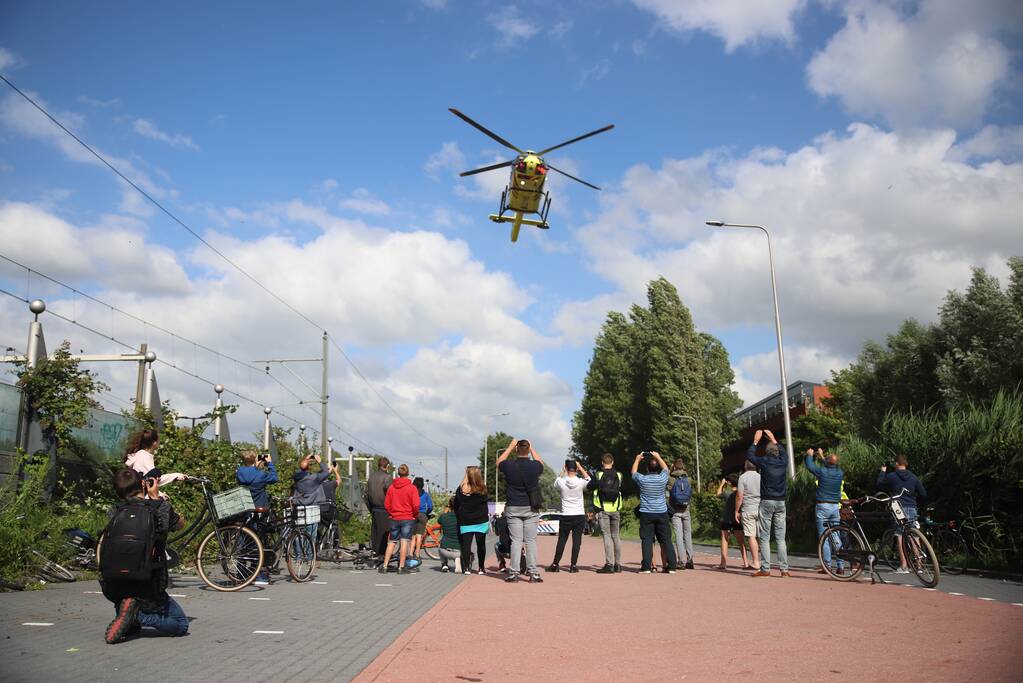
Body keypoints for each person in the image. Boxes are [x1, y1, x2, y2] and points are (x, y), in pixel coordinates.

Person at [102, 468, 188, 644]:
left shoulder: (115, 512)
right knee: (181, 625)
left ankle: (126, 613)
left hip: (116, 586)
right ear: (143, 484)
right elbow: (180, 524)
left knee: (127, 606)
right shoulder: (159, 507)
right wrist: (157, 498)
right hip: (149, 587)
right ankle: (139, 617)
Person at [496, 438, 545, 583]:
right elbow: (541, 463)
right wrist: (532, 447)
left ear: (517, 450)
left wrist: (510, 447)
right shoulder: (534, 466)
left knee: (516, 541)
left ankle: (514, 573)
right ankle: (534, 573)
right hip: (531, 508)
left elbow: (498, 463)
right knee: (531, 541)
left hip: (513, 507)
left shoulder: (509, 466)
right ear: (528, 450)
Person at [746, 429, 790, 577]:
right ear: (777, 452)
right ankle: (784, 570)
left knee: (764, 537)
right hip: (781, 502)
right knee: (780, 538)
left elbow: (750, 456)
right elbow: (785, 453)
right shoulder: (783, 462)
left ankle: (765, 569)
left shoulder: (764, 461)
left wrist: (755, 441)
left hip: (766, 501)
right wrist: (773, 437)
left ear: (767, 452)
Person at [877, 454, 927, 573]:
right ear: (906, 464)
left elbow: (879, 484)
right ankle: (919, 565)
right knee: (914, 535)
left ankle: (904, 565)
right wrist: (920, 504)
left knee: (899, 535)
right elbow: (923, 494)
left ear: (896, 464)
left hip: (898, 507)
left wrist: (882, 472)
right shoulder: (914, 477)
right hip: (912, 507)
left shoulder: (892, 476)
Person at [236, 449, 278, 585]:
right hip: (259, 512)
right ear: (255, 459)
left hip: (244, 510)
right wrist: (269, 463)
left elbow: (248, 476)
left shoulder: (239, 472)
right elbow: (274, 478)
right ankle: (258, 575)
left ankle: (241, 572)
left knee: (243, 542)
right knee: (258, 542)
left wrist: (255, 465)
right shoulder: (260, 474)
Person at [631, 451, 677, 574]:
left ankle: (647, 567)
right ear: (658, 469)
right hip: (662, 512)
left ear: (647, 468)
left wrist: (637, 459)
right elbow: (666, 468)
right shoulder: (663, 478)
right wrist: (658, 457)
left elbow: (633, 472)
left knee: (647, 540)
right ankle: (672, 566)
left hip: (646, 512)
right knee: (666, 539)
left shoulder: (642, 479)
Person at [805, 448, 845, 574]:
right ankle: (841, 566)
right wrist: (822, 456)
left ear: (827, 463)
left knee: (824, 537)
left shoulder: (822, 472)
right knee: (836, 535)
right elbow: (829, 465)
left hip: (823, 506)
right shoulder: (840, 472)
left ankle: (827, 566)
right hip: (835, 507)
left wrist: (809, 456)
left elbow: (810, 466)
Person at [548, 459, 591, 573]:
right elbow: (589, 480)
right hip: (579, 515)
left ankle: (555, 564)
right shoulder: (581, 482)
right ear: (576, 469)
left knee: (562, 541)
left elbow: (556, 480)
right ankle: (573, 565)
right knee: (577, 541)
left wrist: (563, 471)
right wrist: (580, 467)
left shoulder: (561, 482)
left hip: (566, 514)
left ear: (566, 469)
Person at [380, 464, 419, 575]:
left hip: (394, 518)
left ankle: (385, 566)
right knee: (404, 542)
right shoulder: (412, 488)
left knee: (391, 542)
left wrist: (391, 513)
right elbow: (416, 505)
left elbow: (387, 504)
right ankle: (401, 567)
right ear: (408, 473)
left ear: (398, 473)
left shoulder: (392, 487)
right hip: (407, 517)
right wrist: (414, 515)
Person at [292, 453, 337, 551]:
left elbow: (300, 470)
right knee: (311, 534)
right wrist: (320, 461)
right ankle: (310, 557)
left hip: (299, 507)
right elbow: (327, 472)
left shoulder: (296, 477)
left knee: (299, 533)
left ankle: (298, 556)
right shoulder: (314, 478)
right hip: (312, 508)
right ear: (309, 468)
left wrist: (305, 459)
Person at [590, 453, 623, 574]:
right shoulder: (619, 474)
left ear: (602, 463)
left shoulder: (598, 474)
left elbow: (590, 486)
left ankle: (609, 564)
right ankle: (618, 564)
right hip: (615, 508)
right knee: (616, 536)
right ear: (613, 462)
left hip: (603, 509)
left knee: (607, 536)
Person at [452, 466, 489, 575]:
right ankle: (481, 568)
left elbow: (456, 501)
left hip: (466, 520)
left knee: (466, 545)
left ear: (468, 476)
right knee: (481, 544)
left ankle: (467, 567)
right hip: (481, 520)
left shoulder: (462, 490)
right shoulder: (483, 489)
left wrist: (466, 475)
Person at [666, 460, 694, 571]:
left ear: (674, 468)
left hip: (675, 510)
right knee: (688, 534)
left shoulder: (671, 479)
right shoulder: (689, 479)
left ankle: (681, 561)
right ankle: (690, 559)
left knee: (678, 535)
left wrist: (669, 471)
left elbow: (667, 489)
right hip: (686, 509)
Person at [734, 459, 761, 573]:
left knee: (751, 536)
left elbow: (739, 496)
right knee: (762, 537)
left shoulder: (743, 477)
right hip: (761, 509)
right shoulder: (761, 476)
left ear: (746, 466)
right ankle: (765, 561)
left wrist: (736, 511)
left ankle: (756, 562)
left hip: (748, 509)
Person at [716, 474, 748, 569]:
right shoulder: (740, 493)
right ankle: (746, 562)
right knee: (741, 541)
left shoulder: (727, 493)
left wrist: (722, 484)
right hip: (737, 519)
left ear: (729, 483)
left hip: (726, 519)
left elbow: (717, 494)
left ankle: (723, 563)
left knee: (725, 539)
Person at [366, 457, 392, 565]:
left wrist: (370, 508)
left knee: (375, 533)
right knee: (383, 535)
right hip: (384, 509)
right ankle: (381, 559)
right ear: (387, 466)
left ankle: (375, 554)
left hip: (374, 509)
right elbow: (391, 494)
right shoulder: (387, 477)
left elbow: (366, 494)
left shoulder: (371, 477)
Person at [411, 476, 434, 561]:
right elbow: (431, 506)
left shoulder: (412, 493)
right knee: (419, 535)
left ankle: (410, 553)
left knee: (413, 535)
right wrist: (427, 512)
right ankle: (417, 553)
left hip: (413, 514)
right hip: (423, 515)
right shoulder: (425, 494)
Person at [436, 502, 463, 572]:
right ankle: (458, 560)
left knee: (440, 544)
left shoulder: (444, 516)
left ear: (449, 506)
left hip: (444, 550)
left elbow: (439, 521)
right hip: (459, 551)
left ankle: (444, 564)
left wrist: (445, 512)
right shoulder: (462, 517)